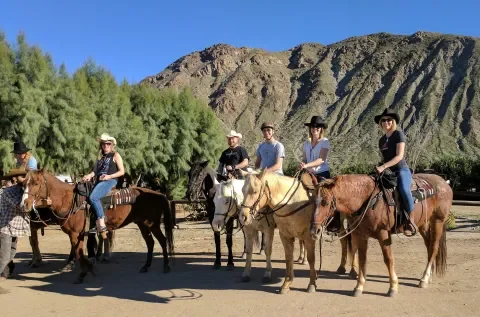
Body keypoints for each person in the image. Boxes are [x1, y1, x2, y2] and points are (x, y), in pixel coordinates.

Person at [374, 108, 417, 237]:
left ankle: (410, 219)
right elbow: (384, 158)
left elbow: (399, 156)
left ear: (393, 121)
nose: (386, 122)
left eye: (389, 120)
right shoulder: (382, 140)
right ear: (381, 123)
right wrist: (380, 166)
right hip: (388, 172)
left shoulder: (398, 134)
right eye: (383, 120)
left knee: (404, 189)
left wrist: (384, 166)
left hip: (401, 169)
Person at [0, 139, 38, 282]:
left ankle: (5, 271)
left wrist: (19, 179)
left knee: (10, 251)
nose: (18, 155)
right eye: (17, 153)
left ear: (24, 153)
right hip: (7, 226)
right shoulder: (18, 163)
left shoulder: (31, 161)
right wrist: (17, 179)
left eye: (20, 153)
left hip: (29, 184)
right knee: (6, 253)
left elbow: (31, 177)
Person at [299, 116, 340, 232]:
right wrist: (303, 164)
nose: (315, 129)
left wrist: (306, 166)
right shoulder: (306, 143)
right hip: (309, 175)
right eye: (313, 126)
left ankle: (334, 223)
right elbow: (305, 158)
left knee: (329, 197)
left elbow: (322, 159)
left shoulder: (325, 142)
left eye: (317, 127)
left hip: (322, 173)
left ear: (321, 129)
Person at [82, 134, 125, 238]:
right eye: (104, 144)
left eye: (108, 144)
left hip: (110, 181)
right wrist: (89, 175)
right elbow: (95, 172)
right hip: (99, 181)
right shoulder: (100, 158)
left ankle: (101, 224)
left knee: (93, 197)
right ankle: (92, 223)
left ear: (111, 145)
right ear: (101, 145)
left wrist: (109, 176)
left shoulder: (115, 155)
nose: (106, 145)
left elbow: (122, 171)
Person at [0, 168, 30, 294]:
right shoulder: (8, 192)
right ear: (14, 178)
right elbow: (22, 206)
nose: (25, 178)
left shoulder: (23, 190)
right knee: (4, 257)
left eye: (25, 176)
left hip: (15, 228)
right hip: (6, 227)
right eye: (22, 176)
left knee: (10, 255)